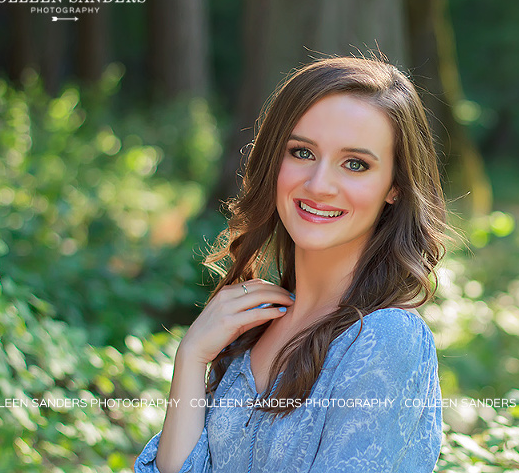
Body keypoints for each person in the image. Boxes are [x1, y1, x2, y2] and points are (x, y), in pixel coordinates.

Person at [134, 56, 448, 473]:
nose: (319, 185)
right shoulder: (253, 324)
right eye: (301, 152)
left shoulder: (386, 338)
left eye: (355, 164)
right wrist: (191, 358)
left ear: (394, 186)